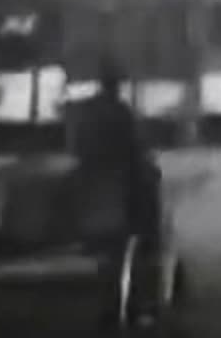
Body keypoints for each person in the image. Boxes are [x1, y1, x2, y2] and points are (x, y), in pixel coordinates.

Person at [65, 64, 160, 240]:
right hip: (116, 166)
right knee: (148, 182)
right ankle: (144, 233)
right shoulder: (120, 110)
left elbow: (77, 141)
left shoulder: (89, 108)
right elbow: (132, 142)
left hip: (90, 165)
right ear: (115, 86)